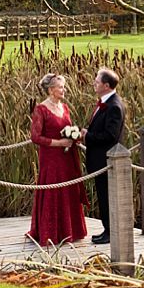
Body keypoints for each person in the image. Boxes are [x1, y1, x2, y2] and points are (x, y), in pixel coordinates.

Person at [27, 73, 88, 246]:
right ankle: (50, 232)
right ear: (51, 90)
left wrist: (75, 135)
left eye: (63, 87)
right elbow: (35, 137)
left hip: (68, 157)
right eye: (61, 87)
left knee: (68, 189)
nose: (64, 90)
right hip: (51, 159)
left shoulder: (65, 107)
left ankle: (70, 231)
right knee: (54, 189)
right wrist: (58, 142)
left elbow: (67, 127)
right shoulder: (41, 109)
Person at [80, 68, 125, 244]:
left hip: (106, 161)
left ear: (106, 85)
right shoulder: (106, 103)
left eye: (97, 81)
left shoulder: (113, 106)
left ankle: (111, 233)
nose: (94, 83)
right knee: (103, 196)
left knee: (107, 198)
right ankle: (107, 229)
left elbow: (110, 136)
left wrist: (87, 136)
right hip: (100, 161)